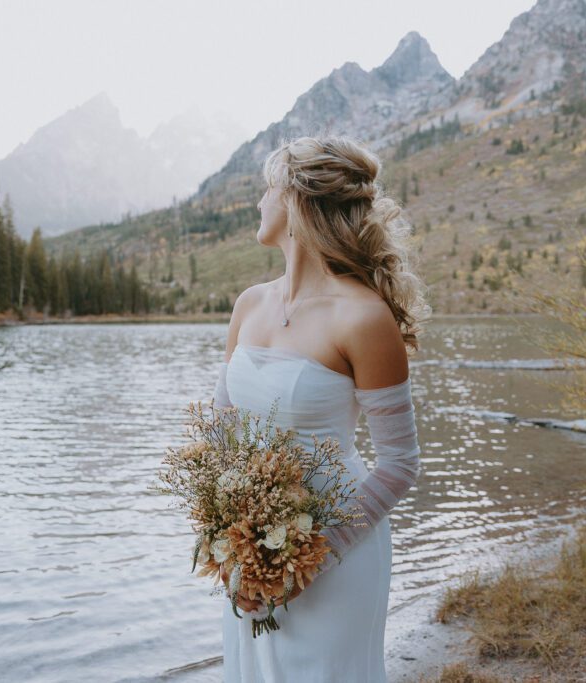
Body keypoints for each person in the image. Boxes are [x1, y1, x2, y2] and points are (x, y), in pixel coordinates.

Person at [213, 135, 430, 681]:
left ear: (295, 201)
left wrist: (308, 559)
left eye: (267, 190)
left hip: (338, 545)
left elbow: (399, 463)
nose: (259, 203)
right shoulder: (250, 304)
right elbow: (221, 430)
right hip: (252, 546)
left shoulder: (362, 317)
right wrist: (228, 537)